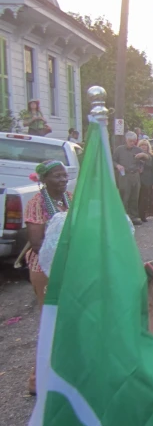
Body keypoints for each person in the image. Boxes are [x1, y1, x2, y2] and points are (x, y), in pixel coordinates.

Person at [24, 160, 73, 394]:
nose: (62, 180)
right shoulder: (36, 204)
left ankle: (63, 374)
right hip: (45, 270)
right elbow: (36, 243)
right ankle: (36, 380)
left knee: (69, 322)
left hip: (69, 268)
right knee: (51, 321)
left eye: (64, 175)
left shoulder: (69, 198)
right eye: (56, 176)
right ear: (44, 180)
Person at [113, 131, 149, 225]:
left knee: (135, 196)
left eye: (134, 141)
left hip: (135, 175)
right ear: (126, 140)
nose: (132, 143)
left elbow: (148, 158)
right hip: (124, 175)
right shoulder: (119, 150)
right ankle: (124, 217)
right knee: (125, 196)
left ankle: (134, 217)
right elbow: (113, 160)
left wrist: (143, 155)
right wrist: (117, 165)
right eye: (130, 141)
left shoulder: (137, 150)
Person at [137, 140, 153, 223]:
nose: (144, 147)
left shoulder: (151, 156)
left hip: (148, 180)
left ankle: (143, 215)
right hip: (138, 179)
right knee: (138, 198)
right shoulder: (137, 156)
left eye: (145, 145)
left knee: (146, 199)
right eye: (142, 145)